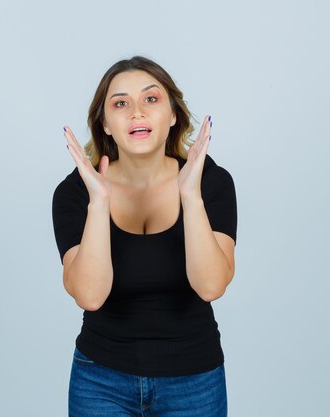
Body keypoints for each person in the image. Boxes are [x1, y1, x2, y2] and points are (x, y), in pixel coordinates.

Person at [51, 55, 237, 416]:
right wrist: (99, 202)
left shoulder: (212, 182)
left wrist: (190, 197)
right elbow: (89, 295)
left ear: (172, 116)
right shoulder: (75, 193)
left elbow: (211, 285)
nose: (137, 112)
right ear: (105, 124)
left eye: (151, 99)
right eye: (121, 103)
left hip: (194, 382)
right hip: (99, 382)